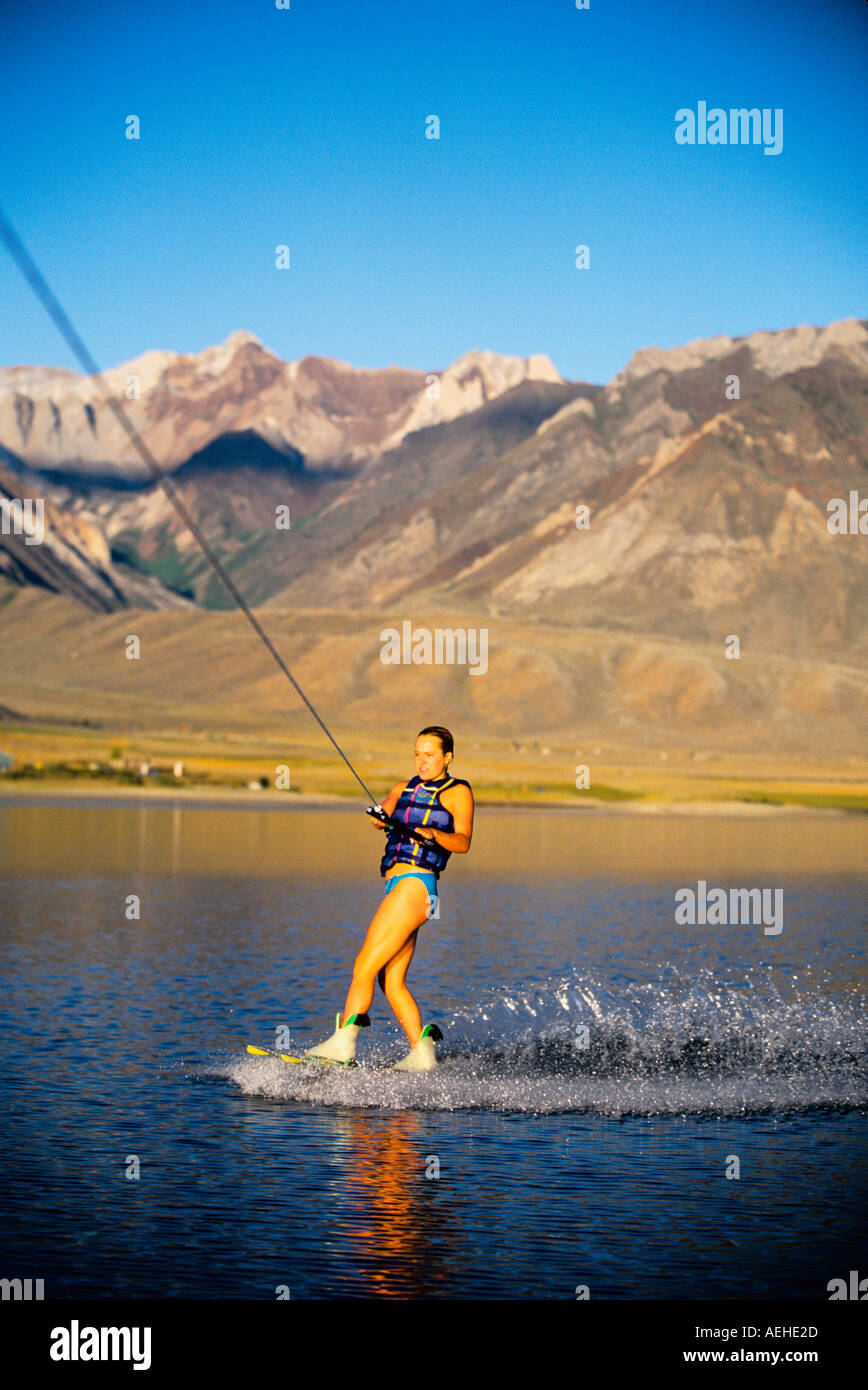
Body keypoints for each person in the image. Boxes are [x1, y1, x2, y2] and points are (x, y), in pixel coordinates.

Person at [307, 726, 474, 1071]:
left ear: (447, 757)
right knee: (390, 980)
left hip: (416, 884)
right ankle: (422, 1051)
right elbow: (380, 821)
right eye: (417, 753)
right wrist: (379, 818)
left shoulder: (458, 792)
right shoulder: (403, 788)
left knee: (364, 963)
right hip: (399, 886)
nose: (422, 761)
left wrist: (434, 834)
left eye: (429, 754)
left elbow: (463, 841)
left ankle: (343, 1044)